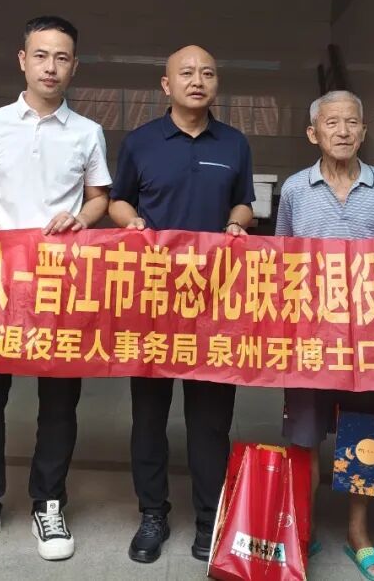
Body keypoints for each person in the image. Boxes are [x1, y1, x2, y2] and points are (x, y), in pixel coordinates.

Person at [0, 15, 111, 563]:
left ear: (74, 66)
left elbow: (99, 196)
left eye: (61, 57)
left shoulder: (87, 131)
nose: (50, 67)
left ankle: (49, 501)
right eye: (40, 55)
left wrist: (82, 218)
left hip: (60, 284)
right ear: (22, 60)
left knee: (59, 402)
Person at [109, 45, 255, 564]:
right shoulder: (141, 141)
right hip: (152, 299)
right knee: (149, 414)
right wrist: (130, 222)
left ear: (217, 83)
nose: (197, 80)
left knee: (210, 419)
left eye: (207, 73)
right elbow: (118, 198)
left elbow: (244, 200)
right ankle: (152, 513)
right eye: (186, 73)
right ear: (166, 85)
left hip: (216, 301)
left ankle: (209, 516)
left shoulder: (234, 143)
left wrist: (237, 223)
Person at [276, 90, 374, 581]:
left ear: (364, 131)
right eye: (332, 123)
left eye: (352, 122)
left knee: (364, 434)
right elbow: (282, 263)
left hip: (369, 340)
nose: (343, 131)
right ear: (313, 133)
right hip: (309, 337)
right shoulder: (295, 190)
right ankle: (302, 527)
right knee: (303, 436)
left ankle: (358, 533)